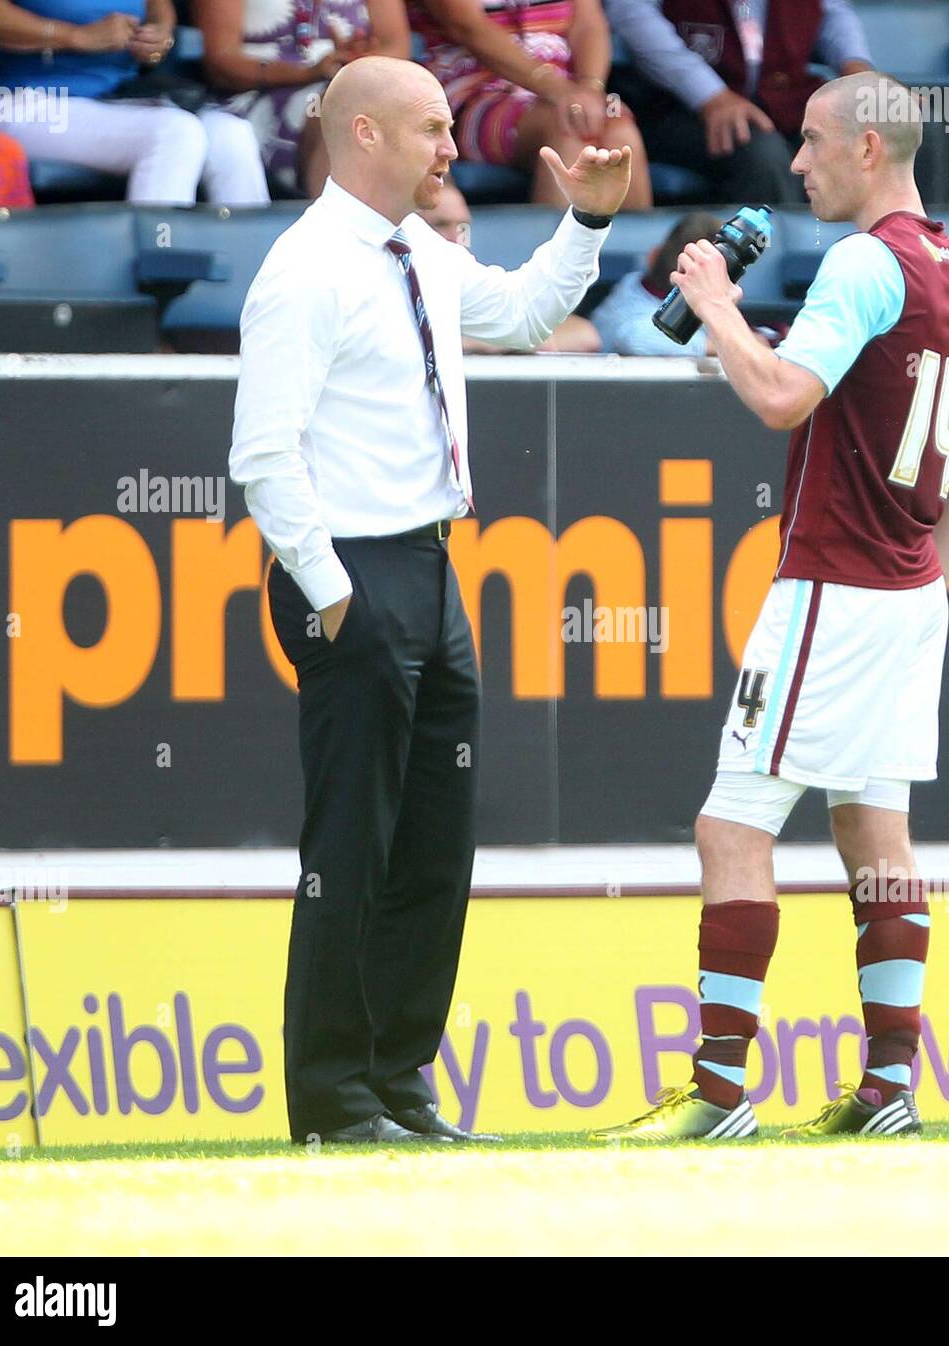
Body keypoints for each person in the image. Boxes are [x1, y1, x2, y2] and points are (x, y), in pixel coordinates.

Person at [229, 56, 632, 1145]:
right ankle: (328, 1095)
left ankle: (399, 1081)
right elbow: (262, 458)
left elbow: (525, 310)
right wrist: (331, 597)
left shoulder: (425, 252)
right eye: (433, 130)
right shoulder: (304, 269)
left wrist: (585, 225)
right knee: (352, 843)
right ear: (363, 135)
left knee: (433, 845)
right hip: (353, 575)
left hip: (432, 566)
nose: (454, 151)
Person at [592, 72, 949, 1143]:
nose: (797, 164)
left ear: (868, 150)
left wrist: (716, 302)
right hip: (906, 594)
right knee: (875, 831)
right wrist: (923, 575)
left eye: (812, 144)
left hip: (831, 585)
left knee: (729, 826)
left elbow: (779, 396)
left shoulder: (864, 262)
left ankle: (720, 1095)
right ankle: (888, 1090)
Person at [0, 0, 269, 204]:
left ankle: (259, 287)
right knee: (174, 134)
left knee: (233, 136)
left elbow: (157, 6)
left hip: (119, 96)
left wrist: (158, 32)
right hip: (24, 101)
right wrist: (75, 36)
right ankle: (159, 274)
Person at [605, 0, 871, 204]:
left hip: (786, 97)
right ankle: (761, 271)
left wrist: (856, 67)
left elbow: (832, 11)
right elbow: (632, 13)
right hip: (678, 106)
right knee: (763, 157)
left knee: (890, 133)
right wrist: (709, 95)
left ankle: (888, 260)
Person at [408, 0, 651, 208]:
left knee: (620, 129)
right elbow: (466, 26)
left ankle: (637, 261)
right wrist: (560, 91)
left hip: (564, 92)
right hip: (472, 95)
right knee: (567, 130)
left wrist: (589, 89)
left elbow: (588, 24)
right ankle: (559, 261)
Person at [195, 0, 411, 197]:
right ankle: (334, 229)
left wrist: (359, 60)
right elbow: (221, 64)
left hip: (349, 84)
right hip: (257, 94)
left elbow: (396, 46)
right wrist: (309, 73)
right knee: (339, 107)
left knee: (391, 107)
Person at [418, 177, 600, 351]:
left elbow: (585, 336)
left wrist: (497, 341)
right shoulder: (398, 277)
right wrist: (489, 342)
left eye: (463, 227)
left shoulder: (467, 278)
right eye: (440, 225)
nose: (457, 238)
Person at [589, 209, 721, 355]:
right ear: (653, 256)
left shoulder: (702, 307)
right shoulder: (631, 302)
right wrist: (720, 346)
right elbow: (634, 339)